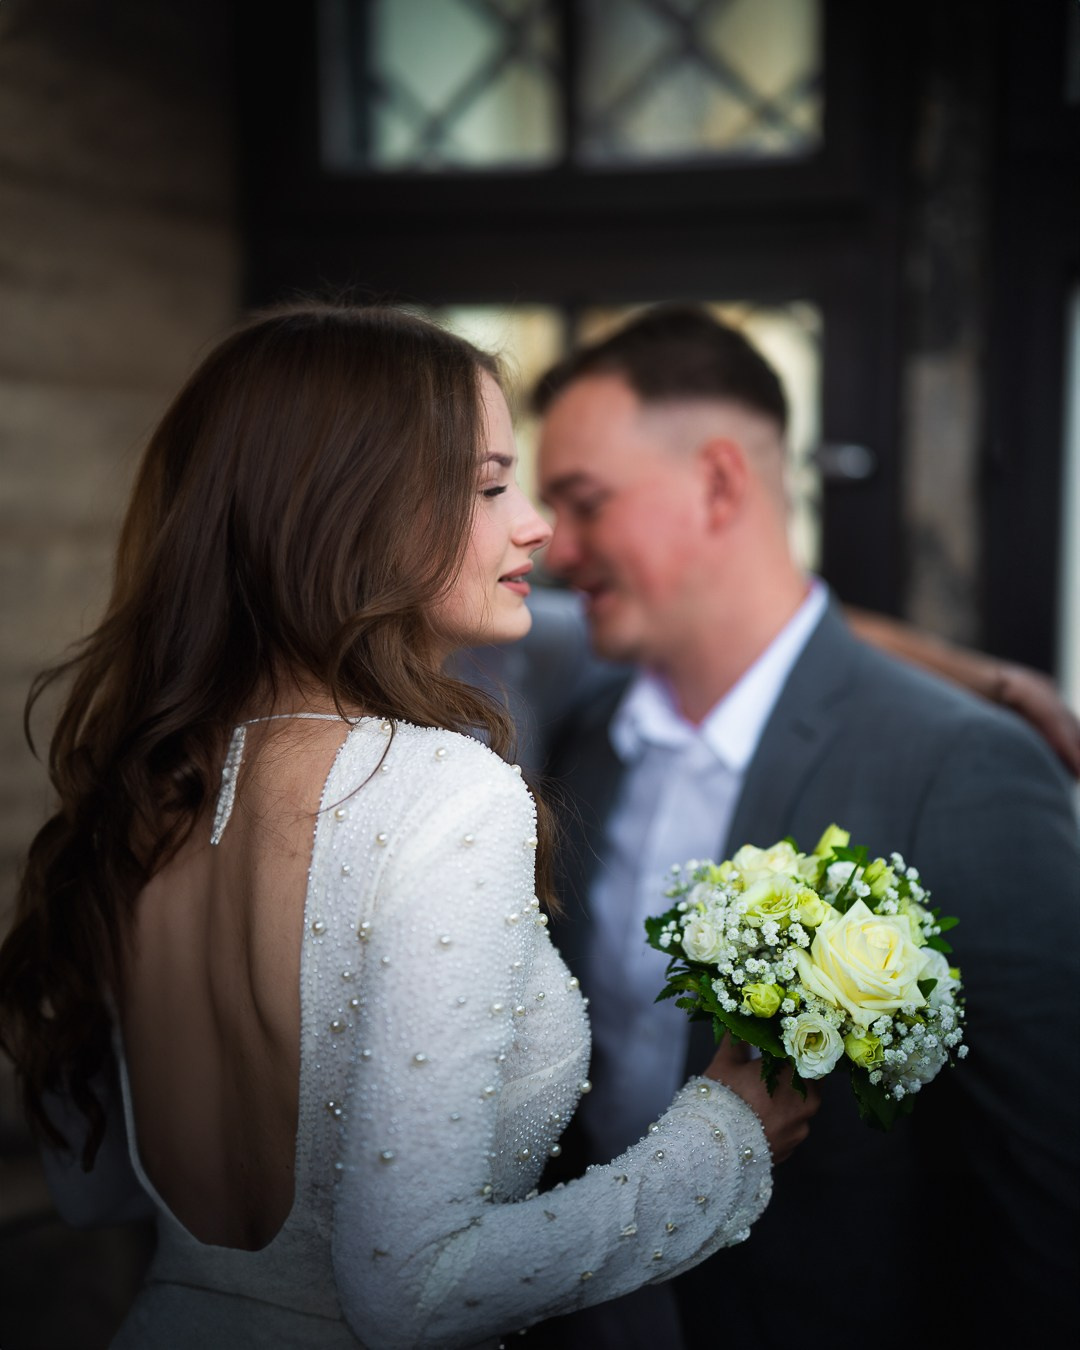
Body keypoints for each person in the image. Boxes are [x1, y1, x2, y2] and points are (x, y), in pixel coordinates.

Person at [0, 302, 821, 1350]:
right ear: (345, 512)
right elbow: (413, 1290)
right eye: (488, 487)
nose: (537, 526)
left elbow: (94, 1188)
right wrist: (726, 1141)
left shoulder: (151, 792)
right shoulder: (439, 793)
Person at [487, 303, 1079, 1348]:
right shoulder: (573, 730)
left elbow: (1048, 1195)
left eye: (582, 503)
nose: (555, 546)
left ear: (721, 482)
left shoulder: (963, 768)